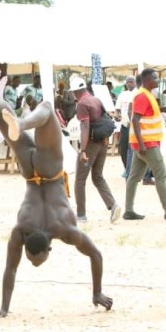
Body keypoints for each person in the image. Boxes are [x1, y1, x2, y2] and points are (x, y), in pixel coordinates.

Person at [0, 99, 112, 316]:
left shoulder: (59, 229)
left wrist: (4, 308)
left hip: (46, 172)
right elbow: (95, 255)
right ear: (47, 250)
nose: (33, 264)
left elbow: (11, 268)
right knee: (13, 108)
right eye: (35, 260)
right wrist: (96, 293)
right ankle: (9, 124)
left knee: (25, 108)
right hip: (36, 172)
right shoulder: (26, 229)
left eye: (31, 260)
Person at [124, 69, 166, 221]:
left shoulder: (147, 95)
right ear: (146, 80)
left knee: (133, 177)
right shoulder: (143, 96)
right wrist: (142, 143)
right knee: (160, 175)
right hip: (147, 144)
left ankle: (128, 210)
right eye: (155, 78)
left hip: (144, 143)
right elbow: (135, 120)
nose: (157, 80)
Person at [70, 77, 122, 223]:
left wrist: (82, 150)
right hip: (103, 142)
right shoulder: (95, 99)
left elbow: (85, 127)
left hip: (91, 143)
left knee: (80, 179)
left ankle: (81, 215)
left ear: (75, 92)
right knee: (97, 176)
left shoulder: (82, 104)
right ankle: (113, 205)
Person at [114, 76, 137, 174]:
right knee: (122, 149)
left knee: (133, 149)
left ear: (135, 83)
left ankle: (133, 170)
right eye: (127, 82)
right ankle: (127, 168)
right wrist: (117, 116)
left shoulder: (138, 93)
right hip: (124, 125)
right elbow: (117, 109)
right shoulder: (122, 95)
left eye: (131, 82)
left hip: (135, 126)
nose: (129, 84)